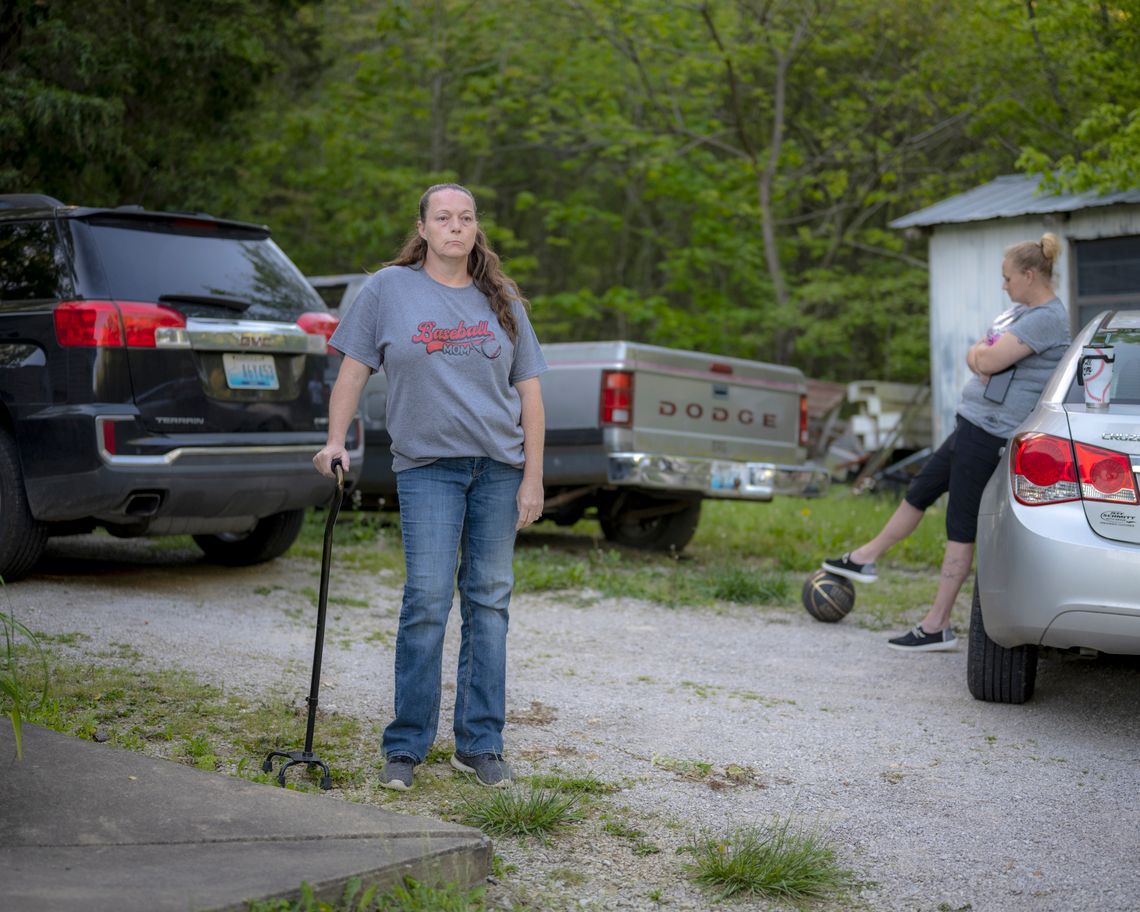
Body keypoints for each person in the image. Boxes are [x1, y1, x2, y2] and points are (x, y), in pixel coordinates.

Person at [313, 183, 547, 789]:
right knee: (426, 600)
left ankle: (480, 744)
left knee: (489, 602)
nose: (455, 227)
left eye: (465, 218)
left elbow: (531, 396)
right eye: (443, 218)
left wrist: (534, 479)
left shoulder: (503, 300)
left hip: (498, 468)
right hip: (428, 470)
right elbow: (353, 371)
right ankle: (407, 745)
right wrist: (336, 441)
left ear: (476, 228)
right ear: (422, 228)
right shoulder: (389, 289)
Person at [822, 233, 1071, 652]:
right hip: (970, 423)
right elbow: (979, 353)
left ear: (1030, 275)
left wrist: (983, 356)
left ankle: (937, 624)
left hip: (990, 432)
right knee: (919, 491)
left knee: (959, 526)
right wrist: (982, 356)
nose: (1003, 285)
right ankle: (864, 558)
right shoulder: (1018, 312)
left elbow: (987, 358)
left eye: (1007, 277)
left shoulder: (1046, 318)